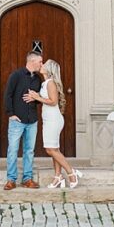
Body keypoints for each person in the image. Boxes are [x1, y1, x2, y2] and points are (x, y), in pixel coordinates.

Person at [24, 58, 83, 188]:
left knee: (50, 149)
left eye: (44, 64)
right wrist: (34, 95)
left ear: (49, 69)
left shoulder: (50, 83)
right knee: (54, 148)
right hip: (49, 119)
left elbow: (53, 101)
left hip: (53, 119)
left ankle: (71, 172)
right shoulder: (45, 83)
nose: (41, 65)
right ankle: (58, 177)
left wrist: (37, 97)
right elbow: (45, 98)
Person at [3, 51, 43, 190]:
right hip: (17, 120)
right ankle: (11, 179)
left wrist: (36, 98)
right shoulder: (16, 75)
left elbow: (39, 97)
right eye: (40, 62)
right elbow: (8, 94)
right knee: (13, 149)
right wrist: (10, 114)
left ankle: (27, 179)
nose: (41, 64)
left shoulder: (38, 79)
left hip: (32, 120)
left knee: (29, 150)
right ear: (32, 61)